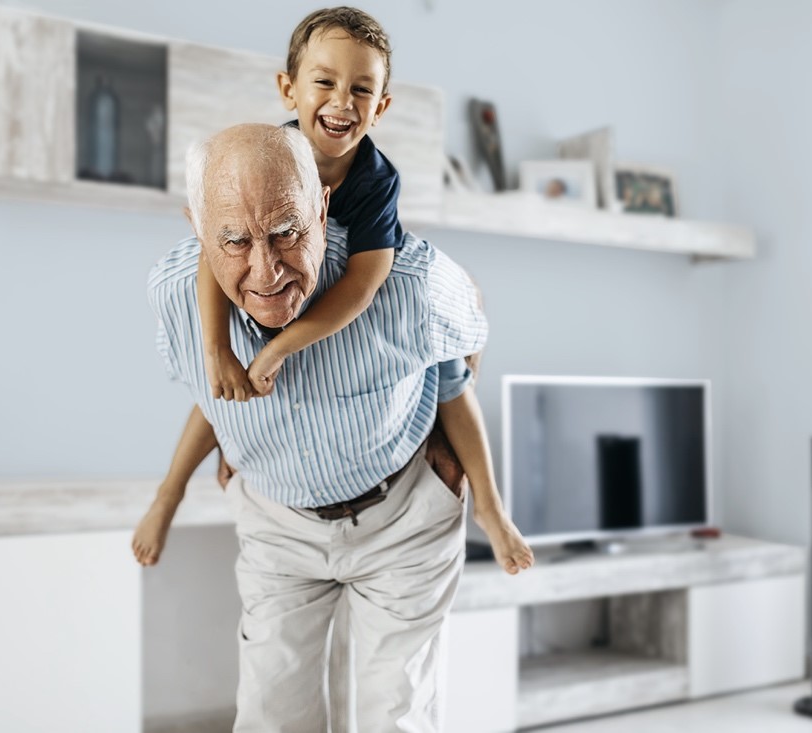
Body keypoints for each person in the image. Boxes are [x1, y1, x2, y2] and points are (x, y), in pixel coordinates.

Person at [134, 6, 533, 575]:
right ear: (287, 90)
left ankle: (491, 510)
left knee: (450, 375)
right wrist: (218, 348)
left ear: (382, 107)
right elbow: (213, 254)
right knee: (219, 386)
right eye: (324, 82)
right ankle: (167, 495)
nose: (342, 102)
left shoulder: (375, 182)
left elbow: (363, 286)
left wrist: (280, 348)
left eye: (362, 89)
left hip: (359, 295)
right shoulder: (266, 158)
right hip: (284, 306)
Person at [141, 122, 514, 729]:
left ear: (321, 206)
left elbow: (469, 321)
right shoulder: (174, 295)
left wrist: (454, 451)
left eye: (287, 232)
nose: (266, 273)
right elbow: (204, 395)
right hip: (278, 523)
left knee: (395, 715)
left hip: (403, 521)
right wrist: (190, 478)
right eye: (233, 241)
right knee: (269, 713)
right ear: (198, 229)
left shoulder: (409, 285)